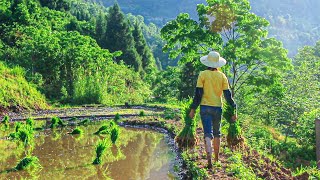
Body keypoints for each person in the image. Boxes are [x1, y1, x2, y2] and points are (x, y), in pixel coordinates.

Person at [189, 51, 237, 168]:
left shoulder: (203, 74)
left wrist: (193, 109)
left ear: (207, 62)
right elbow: (227, 96)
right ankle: (216, 159)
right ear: (218, 64)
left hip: (205, 107)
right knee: (217, 133)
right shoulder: (222, 76)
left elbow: (198, 94)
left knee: (207, 133)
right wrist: (234, 110)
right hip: (217, 108)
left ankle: (209, 159)